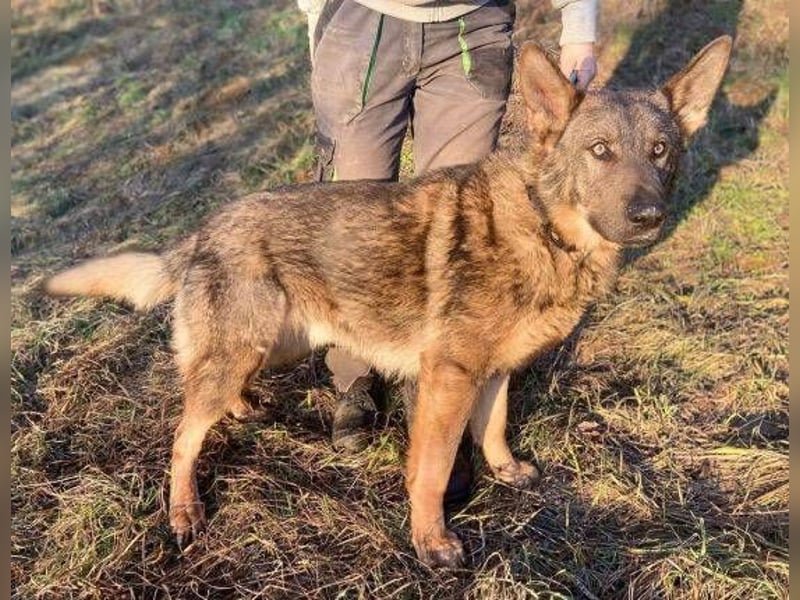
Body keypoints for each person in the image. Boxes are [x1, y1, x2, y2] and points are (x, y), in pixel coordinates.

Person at [297, 0, 598, 501]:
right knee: (353, 222)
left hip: (472, 23)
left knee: (465, 232)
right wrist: (315, 16)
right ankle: (354, 375)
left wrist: (579, 31)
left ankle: (445, 401)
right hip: (361, 19)